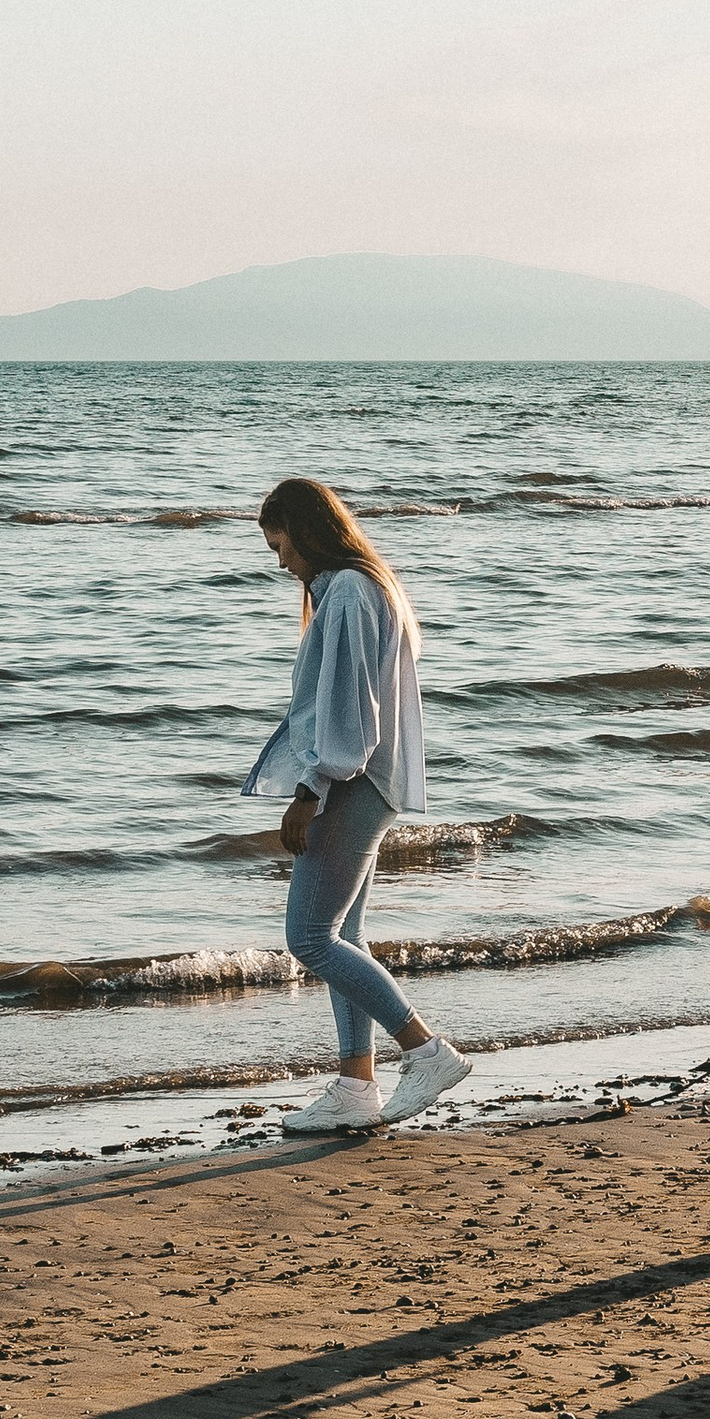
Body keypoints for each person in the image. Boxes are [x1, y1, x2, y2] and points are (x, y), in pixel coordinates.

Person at [244, 478, 472, 1136]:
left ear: (308, 532)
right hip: (378, 777)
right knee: (343, 937)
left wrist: (310, 791)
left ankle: (427, 1052)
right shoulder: (371, 585)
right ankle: (355, 1085)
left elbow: (350, 710)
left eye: (281, 545)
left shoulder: (346, 590)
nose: (280, 561)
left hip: (354, 779)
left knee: (309, 936)